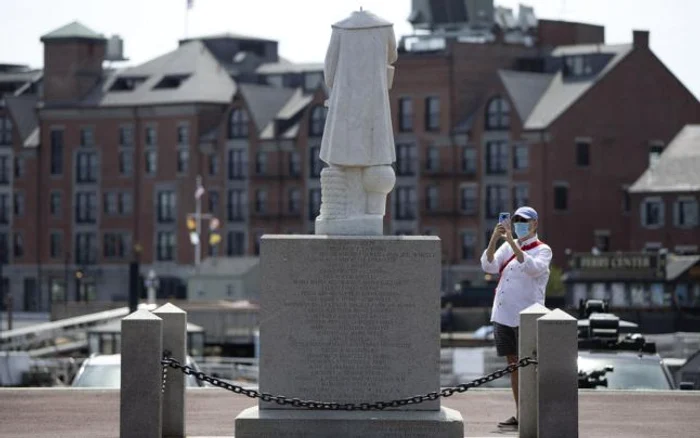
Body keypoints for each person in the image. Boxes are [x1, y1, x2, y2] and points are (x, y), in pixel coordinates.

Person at [480, 206, 552, 429]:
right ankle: (521, 413)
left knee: (529, 366)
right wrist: (495, 237)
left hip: (526, 317)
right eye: (517, 220)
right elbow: (488, 265)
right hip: (503, 315)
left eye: (525, 221)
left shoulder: (543, 250)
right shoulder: (507, 247)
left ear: (535, 224)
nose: (520, 223)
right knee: (513, 365)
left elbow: (532, 268)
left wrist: (511, 242)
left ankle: (534, 414)